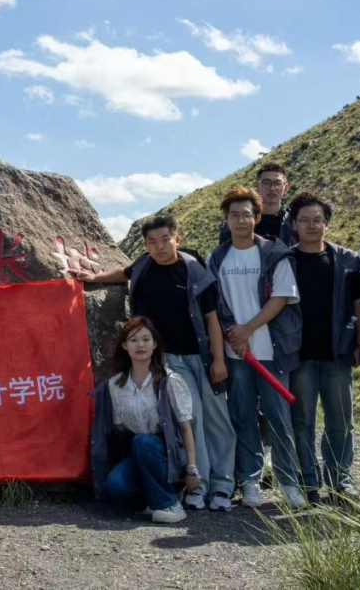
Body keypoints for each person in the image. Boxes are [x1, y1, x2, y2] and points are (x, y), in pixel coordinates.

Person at [76, 214, 236, 512]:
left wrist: (218, 359)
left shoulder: (194, 269)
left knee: (218, 419)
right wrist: (93, 278)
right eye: (152, 242)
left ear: (177, 239)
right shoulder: (143, 267)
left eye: (165, 240)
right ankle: (198, 485)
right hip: (170, 360)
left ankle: (224, 486)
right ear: (146, 245)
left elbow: (212, 319)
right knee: (192, 419)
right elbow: (123, 273)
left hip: (201, 355)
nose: (159, 246)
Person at [208, 186, 305, 509]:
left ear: (257, 218)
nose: (240, 221)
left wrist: (248, 329)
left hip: (272, 352)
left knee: (279, 418)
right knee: (243, 415)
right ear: (226, 220)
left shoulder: (275, 253)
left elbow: (282, 297)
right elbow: (215, 305)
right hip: (237, 355)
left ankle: (288, 482)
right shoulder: (218, 258)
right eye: (234, 215)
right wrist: (232, 337)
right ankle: (250, 480)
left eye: (246, 215)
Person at [287, 191, 360, 504]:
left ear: (326, 223)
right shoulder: (284, 260)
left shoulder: (346, 260)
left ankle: (340, 480)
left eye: (317, 220)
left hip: (337, 353)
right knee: (302, 422)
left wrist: (359, 342)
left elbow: (358, 305)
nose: (311, 226)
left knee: (341, 421)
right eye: (304, 220)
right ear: (294, 224)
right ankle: (308, 481)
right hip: (299, 356)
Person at [90, 316, 200, 524]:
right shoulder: (115, 385)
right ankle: (150, 501)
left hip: (166, 452)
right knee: (115, 483)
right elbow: (119, 430)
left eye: (146, 339)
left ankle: (170, 504)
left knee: (145, 442)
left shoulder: (170, 380)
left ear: (154, 344)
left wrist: (192, 469)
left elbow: (185, 428)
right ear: (125, 346)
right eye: (133, 340)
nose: (140, 345)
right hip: (137, 449)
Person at [218, 163, 296, 246]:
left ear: (285, 188)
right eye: (266, 182)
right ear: (256, 186)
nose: (272, 188)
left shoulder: (294, 222)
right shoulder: (235, 222)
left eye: (278, 183)